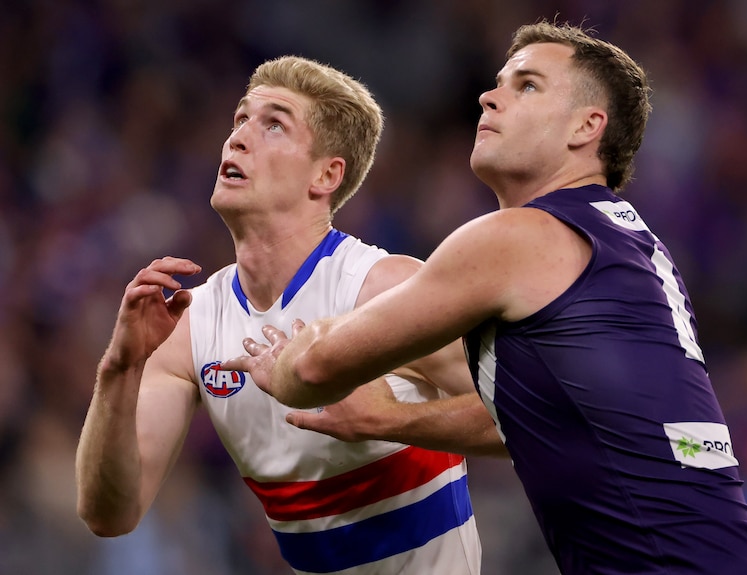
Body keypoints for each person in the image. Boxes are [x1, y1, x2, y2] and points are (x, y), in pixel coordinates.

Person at [222, 21, 747, 575]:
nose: (489, 96)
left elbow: (318, 368)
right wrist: (392, 420)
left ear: (587, 127)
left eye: (527, 85)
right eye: (498, 82)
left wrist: (288, 356)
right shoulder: (625, 243)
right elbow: (552, 419)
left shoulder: (518, 238)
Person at [75, 55, 502, 575]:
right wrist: (118, 370)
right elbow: (110, 514)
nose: (237, 139)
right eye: (239, 121)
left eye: (273, 124)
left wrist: (390, 420)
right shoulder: (190, 325)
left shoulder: (384, 290)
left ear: (326, 175)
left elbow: (534, 420)